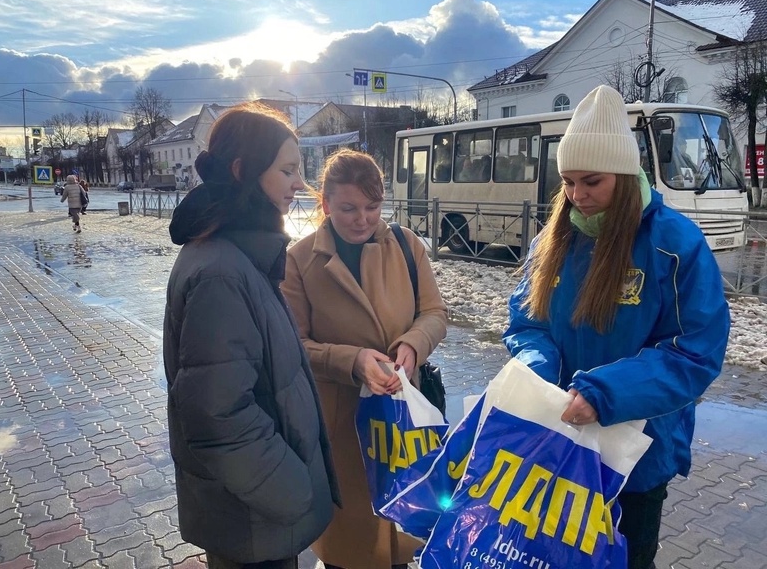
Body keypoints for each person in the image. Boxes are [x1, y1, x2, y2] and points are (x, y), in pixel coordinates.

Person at [503, 85, 729, 569]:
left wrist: (604, 394)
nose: (576, 197)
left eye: (591, 182)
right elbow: (526, 321)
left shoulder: (674, 244)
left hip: (634, 458)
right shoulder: (553, 240)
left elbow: (695, 352)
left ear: (625, 177)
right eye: (566, 182)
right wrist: (538, 369)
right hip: (559, 442)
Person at [163, 102, 339, 569]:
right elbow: (219, 418)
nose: (300, 185)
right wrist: (293, 491)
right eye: (287, 171)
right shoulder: (221, 270)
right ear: (243, 172)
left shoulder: (238, 257)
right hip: (253, 522)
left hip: (253, 516)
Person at [281, 149, 448, 569]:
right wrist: (352, 361)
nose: (363, 219)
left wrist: (412, 346)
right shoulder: (299, 260)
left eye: (373, 206)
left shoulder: (407, 246)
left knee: (401, 536)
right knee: (353, 547)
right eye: (348, 208)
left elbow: (435, 313)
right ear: (325, 204)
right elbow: (292, 344)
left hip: (405, 417)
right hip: (343, 426)